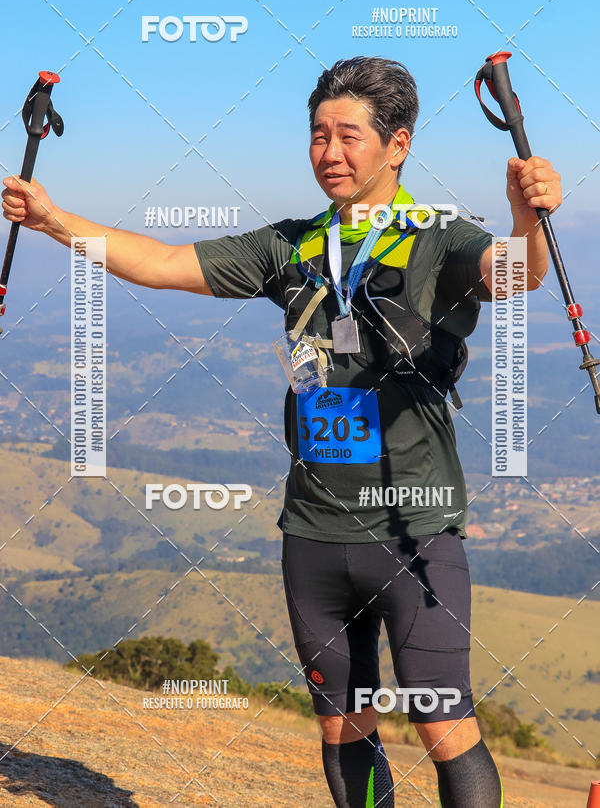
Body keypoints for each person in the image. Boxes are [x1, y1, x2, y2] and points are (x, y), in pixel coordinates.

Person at [2, 56, 561, 807]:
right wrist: (52, 221)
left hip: (414, 531)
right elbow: (165, 261)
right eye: (319, 135)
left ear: (397, 144)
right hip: (313, 530)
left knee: (443, 724)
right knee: (342, 729)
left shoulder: (440, 239)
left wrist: (527, 217)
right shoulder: (290, 246)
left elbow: (516, 273)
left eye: (350, 136)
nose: (330, 152)